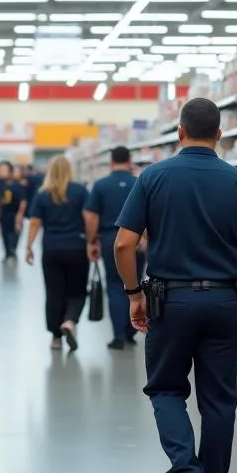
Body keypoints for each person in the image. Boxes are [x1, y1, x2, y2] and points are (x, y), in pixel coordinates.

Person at [115, 97, 237, 473]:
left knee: (167, 389)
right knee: (218, 403)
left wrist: (134, 294)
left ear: (179, 132)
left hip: (169, 303)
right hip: (224, 304)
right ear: (220, 135)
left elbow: (122, 244)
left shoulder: (152, 178)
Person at [25, 156, 91, 351]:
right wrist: (91, 240)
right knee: (77, 290)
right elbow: (89, 217)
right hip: (76, 247)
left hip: (51, 249)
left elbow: (35, 222)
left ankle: (55, 337)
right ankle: (69, 321)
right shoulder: (80, 191)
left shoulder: (43, 194)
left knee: (54, 293)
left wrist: (28, 246)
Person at [84, 145, 143, 350]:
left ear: (111, 162)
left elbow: (91, 216)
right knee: (134, 284)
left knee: (115, 285)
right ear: (129, 161)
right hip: (137, 240)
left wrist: (92, 241)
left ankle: (118, 334)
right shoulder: (139, 183)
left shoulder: (100, 185)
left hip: (111, 239)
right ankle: (131, 331)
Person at [0, 161, 27, 261]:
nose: (1, 172)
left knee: (15, 232)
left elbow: (23, 201)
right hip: (3, 213)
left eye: (4, 170)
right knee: (4, 234)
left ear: (10, 172)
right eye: (0, 170)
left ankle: (13, 249)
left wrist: (20, 215)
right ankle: (7, 252)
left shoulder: (18, 186)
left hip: (14, 213)